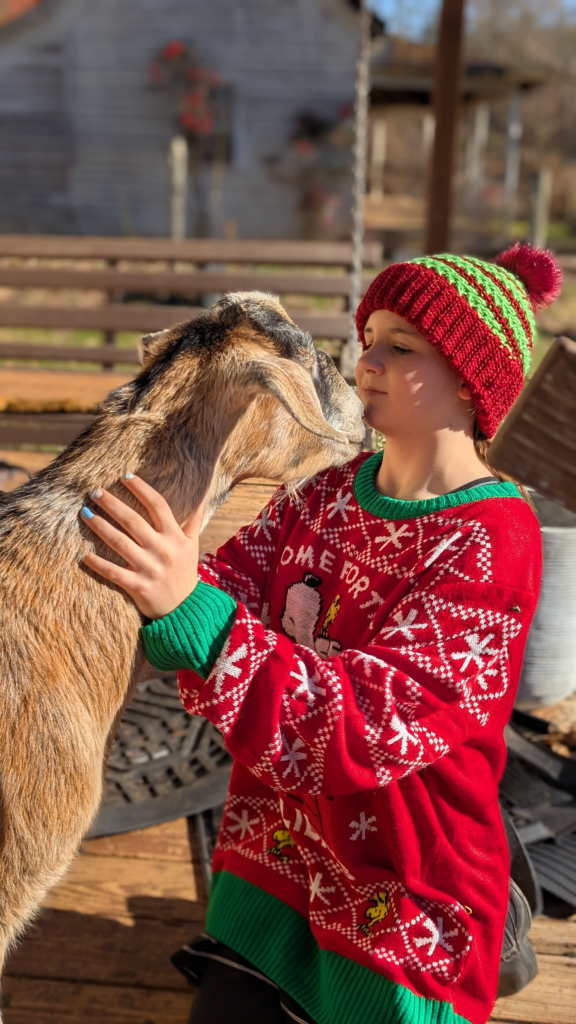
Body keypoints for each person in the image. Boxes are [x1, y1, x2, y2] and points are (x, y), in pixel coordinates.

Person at [80, 244, 560, 1024]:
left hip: (400, 891)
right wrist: (165, 578)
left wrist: (194, 615)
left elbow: (373, 725)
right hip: (279, 867)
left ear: (473, 383)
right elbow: (233, 580)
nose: (363, 360)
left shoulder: (492, 540)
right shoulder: (332, 490)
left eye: (400, 346)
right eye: (366, 337)